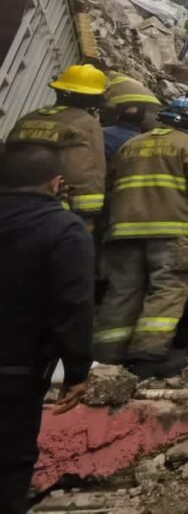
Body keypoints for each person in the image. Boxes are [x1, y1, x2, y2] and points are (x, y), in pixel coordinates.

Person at [93, 98, 188, 378]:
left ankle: (106, 355)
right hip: (170, 229)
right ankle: (148, 354)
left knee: (122, 289)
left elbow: (109, 188)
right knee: (167, 287)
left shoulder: (130, 146)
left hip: (124, 231)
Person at [0, 144, 93, 514]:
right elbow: (73, 304)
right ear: (55, 183)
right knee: (10, 460)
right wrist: (76, 372)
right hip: (16, 371)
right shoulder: (63, 229)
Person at [6, 64, 108, 227]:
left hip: (10, 204)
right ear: (92, 98)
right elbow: (86, 171)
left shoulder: (28, 118)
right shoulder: (85, 123)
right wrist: (88, 215)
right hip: (56, 210)